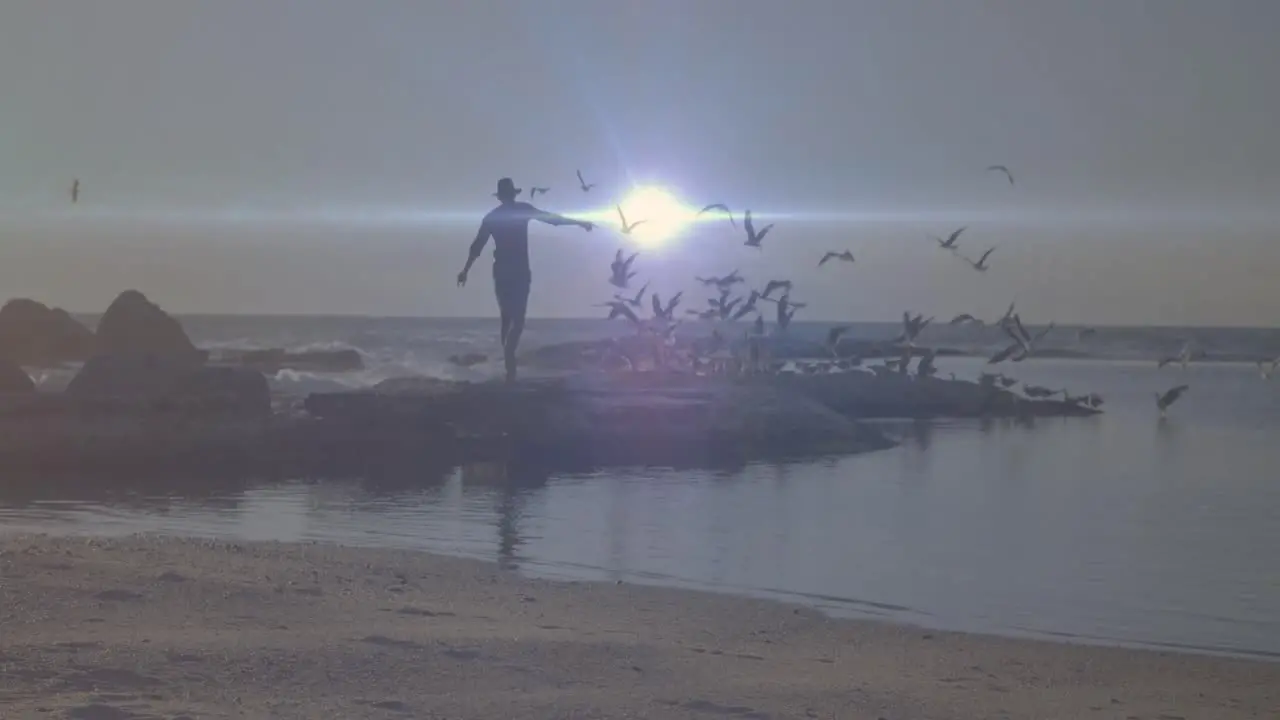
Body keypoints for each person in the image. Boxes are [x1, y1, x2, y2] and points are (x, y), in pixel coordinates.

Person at [457, 177, 593, 382]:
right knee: (517, 319)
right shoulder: (520, 210)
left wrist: (465, 270)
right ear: (512, 194)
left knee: (507, 318)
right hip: (518, 270)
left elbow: (477, 246)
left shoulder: (492, 217)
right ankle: (509, 362)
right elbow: (552, 219)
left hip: (502, 270)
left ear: (501, 196)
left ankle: (507, 365)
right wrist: (579, 222)